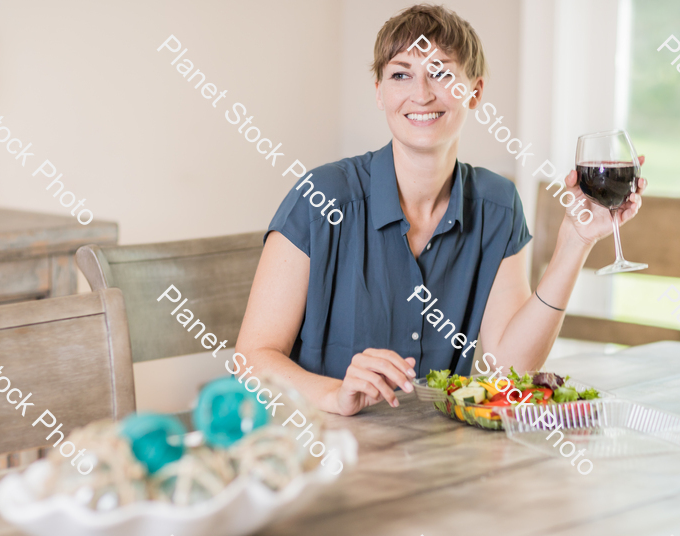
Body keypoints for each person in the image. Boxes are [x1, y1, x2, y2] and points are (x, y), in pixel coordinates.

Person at [236, 3, 646, 416]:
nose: (422, 93)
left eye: (442, 73)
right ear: (379, 91)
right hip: (319, 449)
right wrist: (333, 394)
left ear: (476, 92)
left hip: (439, 455)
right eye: (401, 74)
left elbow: (511, 370)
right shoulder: (321, 197)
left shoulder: (497, 205)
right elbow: (251, 358)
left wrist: (574, 244)